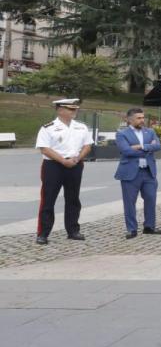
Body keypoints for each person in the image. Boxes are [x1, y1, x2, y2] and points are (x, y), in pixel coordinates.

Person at [34, 98, 93, 244]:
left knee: (73, 198)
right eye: (71, 109)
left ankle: (73, 230)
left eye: (75, 109)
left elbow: (87, 145)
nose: (75, 111)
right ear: (60, 110)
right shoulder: (48, 127)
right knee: (48, 199)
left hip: (75, 164)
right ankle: (43, 233)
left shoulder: (81, 127)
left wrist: (78, 158)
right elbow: (44, 148)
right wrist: (62, 161)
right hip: (53, 166)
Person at [114, 107, 161, 239]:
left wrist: (141, 146)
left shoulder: (150, 131)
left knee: (151, 199)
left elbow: (158, 146)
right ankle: (131, 229)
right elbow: (126, 151)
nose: (142, 120)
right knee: (130, 202)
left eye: (143, 117)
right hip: (130, 172)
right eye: (139, 118)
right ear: (129, 119)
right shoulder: (122, 134)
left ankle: (149, 227)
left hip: (148, 172)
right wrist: (148, 147)